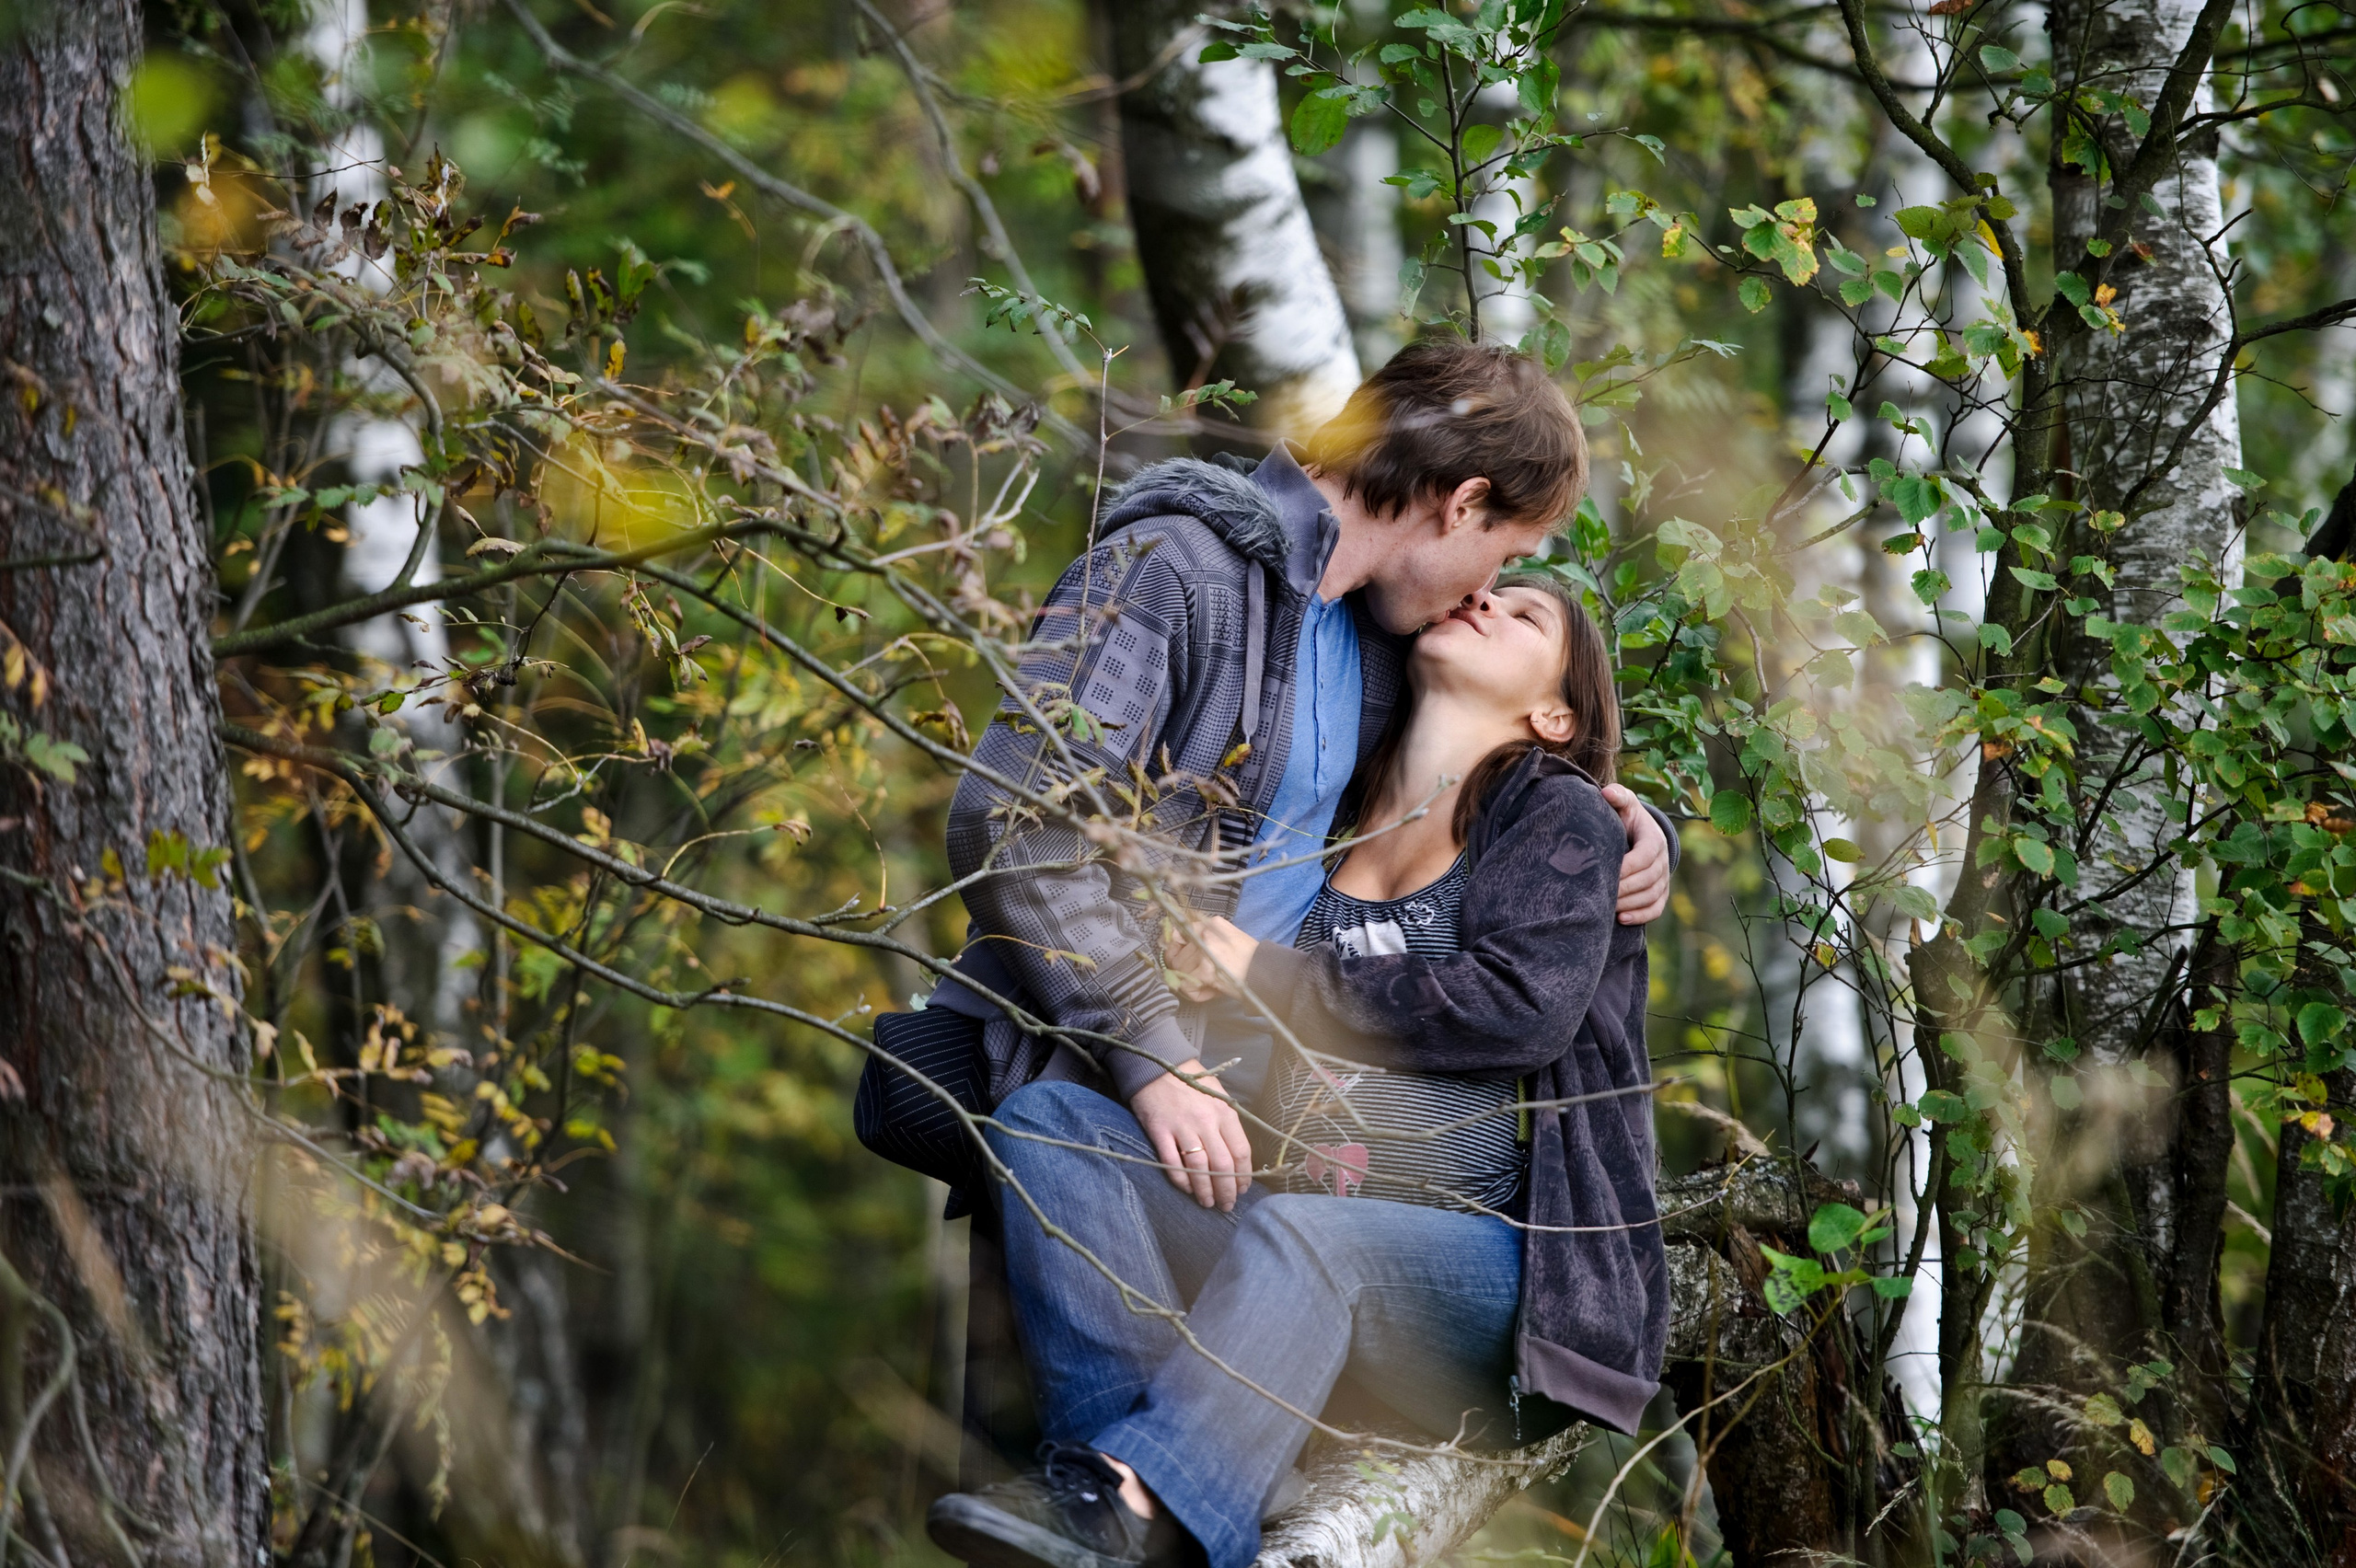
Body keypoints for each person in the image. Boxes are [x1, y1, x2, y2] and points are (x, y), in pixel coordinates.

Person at [926, 575, 1669, 1568]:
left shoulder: (1559, 818)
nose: (1486, 601)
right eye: (1489, 589)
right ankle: (1118, 1500)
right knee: (1046, 1123)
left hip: (1494, 1290)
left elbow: (1523, 1009)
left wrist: (1265, 973)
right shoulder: (1321, 815)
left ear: (1554, 713)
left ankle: (1148, 1496)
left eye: (1525, 614)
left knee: (1309, 1232)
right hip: (1289, 1250)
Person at [930, 339, 1669, 1210]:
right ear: (1465, 505)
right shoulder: (1170, 571)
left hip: (1265, 1129)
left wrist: (1638, 831)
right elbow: (1013, 824)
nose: (1487, 590)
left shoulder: (1381, 645)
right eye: (1506, 554)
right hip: (1103, 1083)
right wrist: (1150, 1053)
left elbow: (1493, 773)